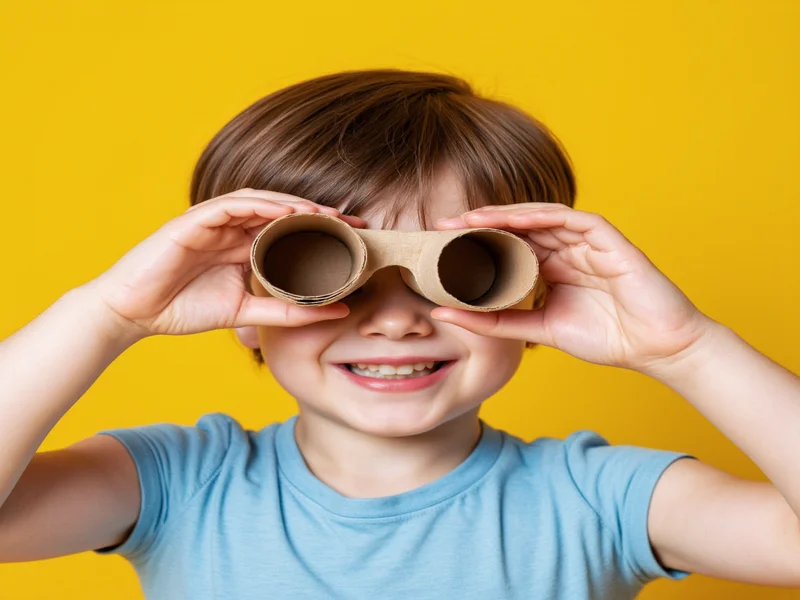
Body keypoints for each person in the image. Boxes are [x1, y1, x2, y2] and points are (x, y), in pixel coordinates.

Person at [0, 70, 798, 600]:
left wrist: (686, 349)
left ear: (531, 286)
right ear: (244, 302)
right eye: (327, 270)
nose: (393, 319)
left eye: (462, 269)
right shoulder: (179, 484)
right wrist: (110, 313)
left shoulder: (600, 500)